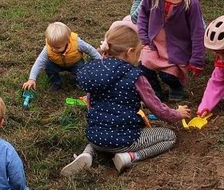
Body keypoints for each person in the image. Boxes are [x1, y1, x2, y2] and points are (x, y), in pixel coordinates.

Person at [60, 22, 190, 176]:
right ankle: (130, 157)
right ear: (129, 52)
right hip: (124, 141)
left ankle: (87, 153)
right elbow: (157, 108)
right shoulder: (135, 76)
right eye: (138, 52)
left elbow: (90, 103)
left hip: (95, 136)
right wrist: (177, 114)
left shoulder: (95, 71)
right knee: (169, 136)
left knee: (100, 135)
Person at [138, 0, 205, 101]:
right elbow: (143, 14)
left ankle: (176, 86)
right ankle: (155, 93)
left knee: (167, 75)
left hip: (177, 49)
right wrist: (143, 36)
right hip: (154, 44)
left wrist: (197, 59)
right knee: (143, 67)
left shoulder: (190, 3)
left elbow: (197, 31)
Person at [22, 22, 100, 92]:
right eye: (51, 46)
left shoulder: (77, 43)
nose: (53, 49)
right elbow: (39, 61)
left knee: (82, 70)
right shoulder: (48, 48)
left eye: (57, 47)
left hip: (75, 63)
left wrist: (101, 61)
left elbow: (91, 50)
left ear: (67, 41)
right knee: (48, 66)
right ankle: (56, 83)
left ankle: (79, 82)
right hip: (56, 63)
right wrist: (31, 79)